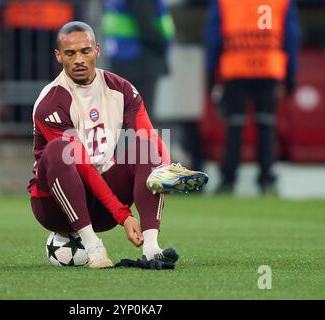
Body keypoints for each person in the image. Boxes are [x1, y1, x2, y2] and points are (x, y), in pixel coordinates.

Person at [28, 21, 208, 269]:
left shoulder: (122, 89)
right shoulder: (51, 102)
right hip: (54, 206)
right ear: (59, 56)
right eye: (70, 53)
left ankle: (151, 247)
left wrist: (166, 167)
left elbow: (148, 138)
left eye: (85, 51)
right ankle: (93, 247)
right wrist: (122, 215)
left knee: (144, 149)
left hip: (101, 202)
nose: (79, 59)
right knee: (60, 151)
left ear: (97, 51)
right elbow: (82, 166)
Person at [206, 0, 301, 195]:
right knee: (266, 127)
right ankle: (267, 181)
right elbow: (291, 36)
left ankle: (227, 182)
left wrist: (210, 73)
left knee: (234, 128)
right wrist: (291, 73)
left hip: (235, 69)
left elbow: (213, 37)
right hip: (269, 68)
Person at [102, 0, 175, 124]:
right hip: (141, 60)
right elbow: (146, 25)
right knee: (140, 121)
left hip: (124, 57)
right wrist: (162, 45)